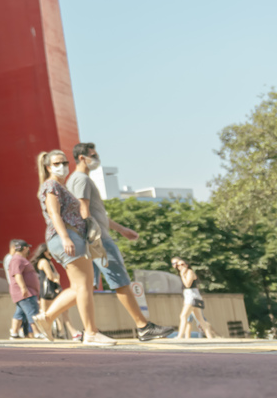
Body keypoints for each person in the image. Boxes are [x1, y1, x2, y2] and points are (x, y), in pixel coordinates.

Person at [68, 143, 175, 342]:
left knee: (84, 287)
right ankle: (143, 327)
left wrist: (121, 230)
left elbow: (95, 214)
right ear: (82, 157)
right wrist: (93, 239)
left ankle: (50, 317)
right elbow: (83, 211)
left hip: (92, 238)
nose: (97, 158)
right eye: (93, 155)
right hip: (98, 240)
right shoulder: (81, 179)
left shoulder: (78, 180)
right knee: (120, 280)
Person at [30, 150, 115, 346]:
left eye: (65, 162)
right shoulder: (50, 185)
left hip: (70, 238)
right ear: (48, 167)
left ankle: (48, 317)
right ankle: (91, 333)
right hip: (66, 237)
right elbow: (53, 213)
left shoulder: (60, 186)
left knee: (80, 287)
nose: (63, 166)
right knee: (84, 286)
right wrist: (66, 237)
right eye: (57, 163)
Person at [32, 247, 78, 340]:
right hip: (49, 290)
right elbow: (51, 275)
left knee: (52, 312)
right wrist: (57, 284)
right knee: (59, 311)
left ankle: (57, 333)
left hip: (45, 291)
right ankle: (67, 333)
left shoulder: (47, 261)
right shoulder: (44, 262)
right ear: (44, 252)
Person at [172, 257, 216, 339]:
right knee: (200, 319)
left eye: (182, 264)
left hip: (192, 296)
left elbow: (188, 285)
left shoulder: (189, 272)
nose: (180, 266)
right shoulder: (184, 273)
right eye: (178, 265)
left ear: (187, 265)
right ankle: (210, 337)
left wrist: (182, 275)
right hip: (189, 296)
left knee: (183, 316)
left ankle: (180, 336)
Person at [6, 240, 41, 340]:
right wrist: (23, 288)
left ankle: (14, 333)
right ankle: (37, 333)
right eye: (28, 247)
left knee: (20, 313)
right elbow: (17, 274)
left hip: (25, 291)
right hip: (25, 292)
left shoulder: (19, 259)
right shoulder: (17, 259)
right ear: (24, 248)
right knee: (32, 311)